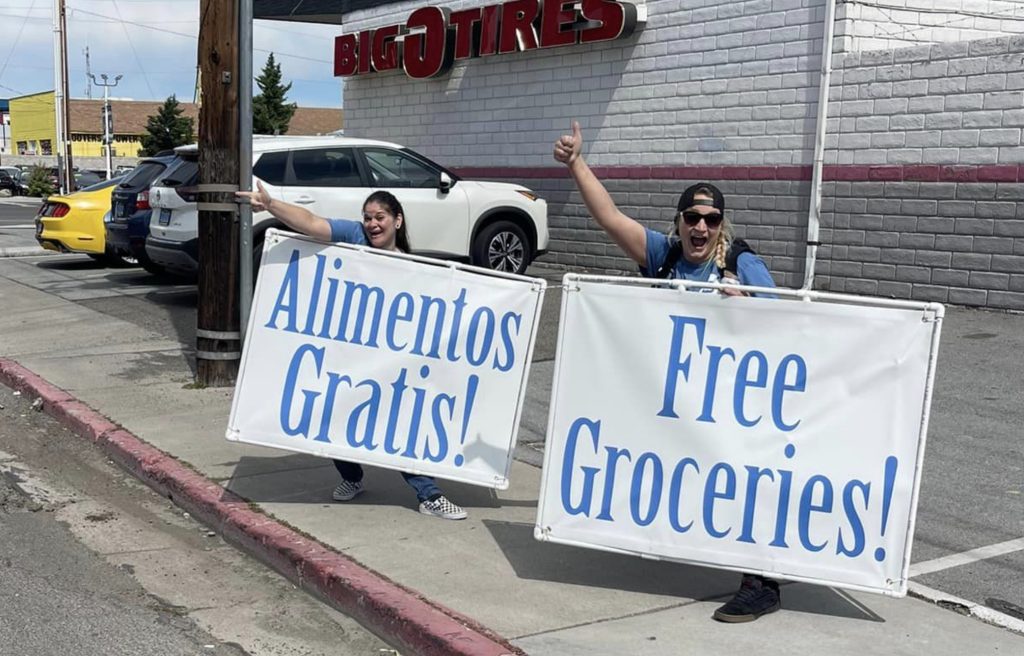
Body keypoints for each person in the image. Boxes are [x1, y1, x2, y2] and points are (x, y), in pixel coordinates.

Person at [553, 121, 781, 622]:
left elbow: (788, 322)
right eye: (691, 217)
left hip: (731, 402)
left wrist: (748, 302)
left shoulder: (742, 262)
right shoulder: (663, 256)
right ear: (678, 221)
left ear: (722, 224)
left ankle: (761, 582)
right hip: (678, 405)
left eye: (711, 218)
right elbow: (610, 217)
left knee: (741, 481)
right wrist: (575, 164)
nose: (700, 227)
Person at [236, 181, 468, 521]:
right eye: (368, 217)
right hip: (346, 354)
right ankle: (352, 477)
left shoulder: (414, 267)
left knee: (396, 422)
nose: (373, 224)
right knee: (335, 414)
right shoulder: (354, 236)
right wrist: (272, 205)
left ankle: (428, 494)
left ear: (397, 221)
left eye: (381, 217)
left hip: (389, 361)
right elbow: (312, 222)